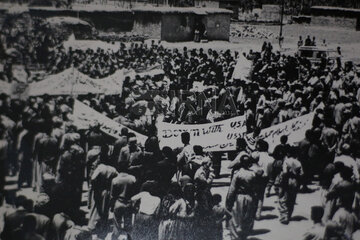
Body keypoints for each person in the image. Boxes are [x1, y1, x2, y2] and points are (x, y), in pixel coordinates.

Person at [226, 155, 259, 240]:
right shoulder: (253, 174)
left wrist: (229, 201)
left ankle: (236, 237)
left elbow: (232, 189)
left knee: (236, 219)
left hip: (239, 197)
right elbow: (256, 188)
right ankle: (244, 236)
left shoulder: (238, 174)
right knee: (248, 218)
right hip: (250, 197)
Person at [87, 162, 118, 239]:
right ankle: (103, 226)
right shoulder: (112, 169)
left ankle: (92, 226)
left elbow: (93, 178)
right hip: (107, 191)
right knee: (105, 209)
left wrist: (94, 186)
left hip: (98, 190)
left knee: (95, 208)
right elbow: (118, 176)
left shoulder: (100, 168)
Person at [278, 147, 303, 225]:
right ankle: (289, 215)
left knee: (283, 199)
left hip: (287, 180)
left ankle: (284, 216)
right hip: (295, 181)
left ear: (288, 153)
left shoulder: (287, 161)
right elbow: (302, 173)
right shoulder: (298, 162)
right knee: (292, 198)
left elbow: (285, 172)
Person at [110, 166, 137, 239]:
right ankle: (129, 237)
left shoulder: (115, 180)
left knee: (116, 223)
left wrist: (112, 206)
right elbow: (134, 193)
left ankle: (115, 237)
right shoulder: (132, 179)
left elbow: (112, 195)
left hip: (118, 202)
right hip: (128, 203)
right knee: (128, 223)